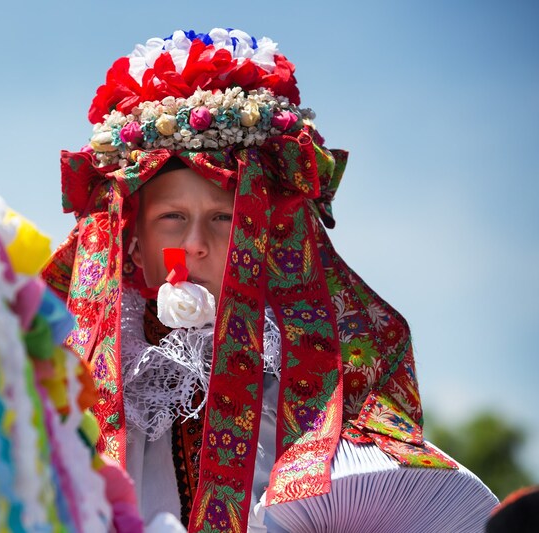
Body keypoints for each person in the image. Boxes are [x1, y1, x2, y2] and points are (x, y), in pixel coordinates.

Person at [43, 28, 498, 532]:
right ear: (132, 243)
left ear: (270, 236)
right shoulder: (71, 382)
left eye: (224, 218)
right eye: (172, 217)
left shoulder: (331, 393)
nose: (195, 242)